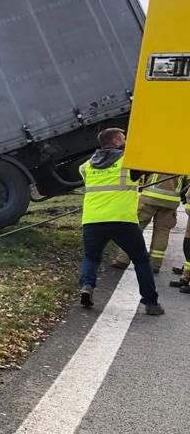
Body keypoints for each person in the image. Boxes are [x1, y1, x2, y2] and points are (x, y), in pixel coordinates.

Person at [78, 127, 163, 315]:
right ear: (116, 142)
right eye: (123, 137)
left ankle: (86, 286)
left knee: (91, 257)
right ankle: (151, 303)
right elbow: (153, 165)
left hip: (93, 219)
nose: (126, 140)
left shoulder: (85, 166)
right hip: (122, 219)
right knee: (140, 259)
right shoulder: (128, 162)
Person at [112, 173, 186, 273]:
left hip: (150, 198)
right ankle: (154, 264)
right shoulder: (185, 160)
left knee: (136, 227)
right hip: (171, 202)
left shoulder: (153, 157)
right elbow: (186, 184)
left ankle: (123, 259)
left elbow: (138, 173)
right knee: (162, 232)